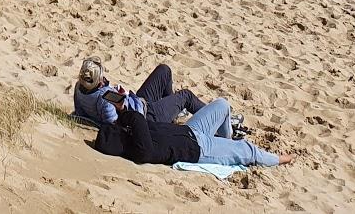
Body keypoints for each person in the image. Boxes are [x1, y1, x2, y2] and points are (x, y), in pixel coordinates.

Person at [95, 96, 287, 169]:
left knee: (222, 105)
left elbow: (136, 122)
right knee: (247, 150)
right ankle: (280, 159)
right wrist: (126, 113)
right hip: (200, 149)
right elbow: (137, 120)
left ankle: (226, 141)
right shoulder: (139, 149)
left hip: (191, 131)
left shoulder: (132, 135)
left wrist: (121, 111)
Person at [73, 59, 205, 130]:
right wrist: (122, 109)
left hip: (139, 103)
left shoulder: (79, 87)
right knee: (186, 95)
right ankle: (219, 120)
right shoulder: (105, 99)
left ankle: (172, 116)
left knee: (164, 70)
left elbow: (79, 112)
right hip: (147, 117)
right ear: (99, 81)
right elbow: (114, 126)